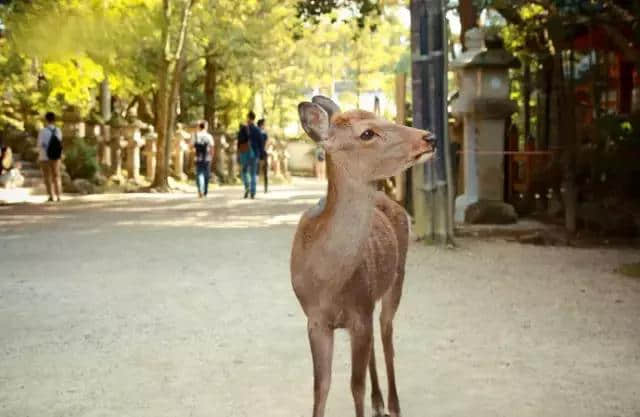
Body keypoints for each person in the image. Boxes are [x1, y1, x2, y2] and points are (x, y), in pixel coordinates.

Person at [38, 112, 63, 202]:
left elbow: (39, 144)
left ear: (46, 119)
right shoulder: (58, 130)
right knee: (56, 175)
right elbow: (59, 142)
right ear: (54, 120)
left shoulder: (42, 131)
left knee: (47, 176)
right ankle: (59, 195)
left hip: (44, 156)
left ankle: (51, 195)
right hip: (56, 157)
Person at [237, 111, 262, 199]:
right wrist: (261, 155)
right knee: (253, 173)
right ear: (254, 118)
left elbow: (239, 141)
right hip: (254, 154)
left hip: (244, 152)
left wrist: (238, 153)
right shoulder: (257, 130)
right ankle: (253, 192)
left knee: (244, 172)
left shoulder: (243, 128)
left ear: (248, 117)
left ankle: (247, 186)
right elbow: (260, 143)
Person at [193, 120, 214, 198]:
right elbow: (212, 148)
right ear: (205, 127)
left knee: (199, 173)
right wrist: (211, 156)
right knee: (206, 175)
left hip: (198, 157)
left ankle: (200, 190)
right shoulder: (209, 136)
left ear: (199, 127)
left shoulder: (196, 135)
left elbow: (191, 147)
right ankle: (205, 191)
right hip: (207, 157)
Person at [257, 118, 269, 193]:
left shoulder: (256, 132)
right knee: (263, 170)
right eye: (264, 124)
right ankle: (265, 187)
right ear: (262, 124)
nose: (265, 125)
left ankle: (265, 187)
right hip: (260, 152)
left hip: (260, 152)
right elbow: (266, 144)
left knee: (263, 170)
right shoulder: (263, 133)